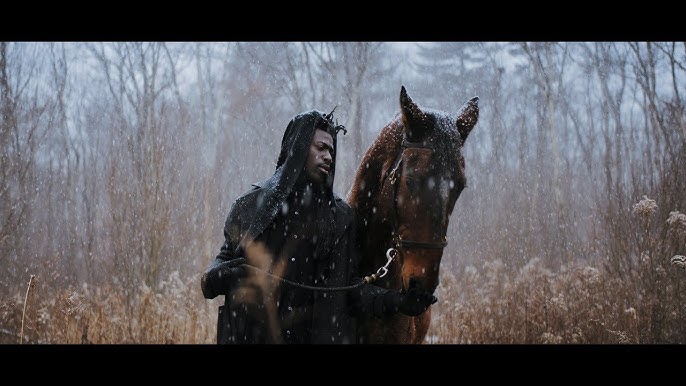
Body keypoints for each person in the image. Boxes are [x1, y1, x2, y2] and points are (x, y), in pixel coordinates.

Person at [201, 109, 437, 344]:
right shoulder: (249, 205)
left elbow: (349, 291)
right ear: (298, 147)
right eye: (321, 148)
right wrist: (218, 276)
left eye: (332, 150)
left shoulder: (341, 218)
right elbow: (218, 267)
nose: (329, 157)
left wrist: (398, 302)